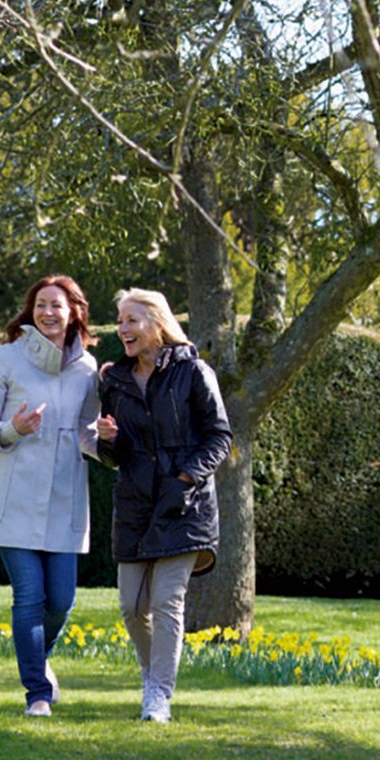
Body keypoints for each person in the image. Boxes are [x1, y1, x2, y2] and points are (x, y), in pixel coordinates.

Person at [93, 287, 233, 722]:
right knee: (132, 608)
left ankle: (159, 696)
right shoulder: (113, 380)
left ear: (156, 323)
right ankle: (152, 677)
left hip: (183, 503)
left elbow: (220, 436)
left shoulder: (194, 372)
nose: (122, 329)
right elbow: (115, 456)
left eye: (131, 320)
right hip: (134, 504)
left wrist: (186, 478)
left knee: (167, 601)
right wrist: (108, 440)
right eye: (120, 321)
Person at [0, 275, 100, 717]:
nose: (48, 313)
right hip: (12, 499)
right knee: (29, 597)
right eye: (41, 304)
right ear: (30, 310)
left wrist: (107, 439)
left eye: (57, 306)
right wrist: (12, 430)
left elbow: (88, 434)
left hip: (65, 500)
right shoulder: (4, 359)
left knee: (61, 601)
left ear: (74, 312)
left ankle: (38, 660)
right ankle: (37, 695)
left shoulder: (88, 370)